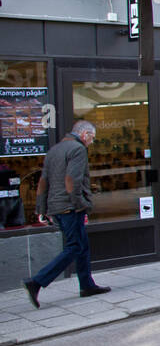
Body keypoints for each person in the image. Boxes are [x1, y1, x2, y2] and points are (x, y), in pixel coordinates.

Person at [21, 120, 111, 308]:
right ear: (85, 134)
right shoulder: (78, 149)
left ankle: (87, 285)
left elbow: (43, 181)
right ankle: (36, 282)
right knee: (74, 247)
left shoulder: (54, 150)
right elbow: (72, 180)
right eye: (92, 138)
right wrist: (81, 205)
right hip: (70, 207)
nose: (91, 142)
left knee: (82, 245)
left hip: (57, 207)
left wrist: (41, 209)